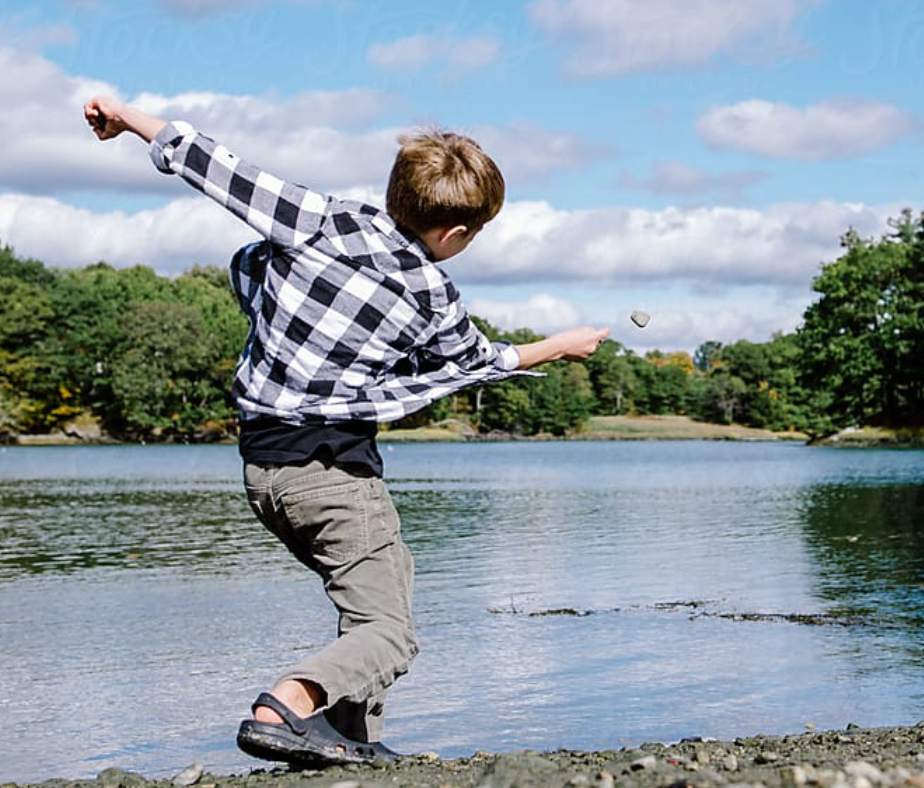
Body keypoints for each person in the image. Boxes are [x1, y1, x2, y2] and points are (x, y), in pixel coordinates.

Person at [83, 96, 609, 768]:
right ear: (453, 236)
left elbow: (211, 162)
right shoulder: (431, 294)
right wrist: (560, 346)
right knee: (388, 632)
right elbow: (482, 363)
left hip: (264, 471)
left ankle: (348, 741)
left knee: (383, 593)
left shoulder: (320, 220)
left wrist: (127, 118)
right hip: (332, 473)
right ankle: (286, 707)